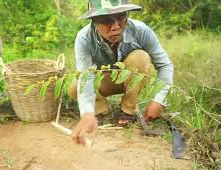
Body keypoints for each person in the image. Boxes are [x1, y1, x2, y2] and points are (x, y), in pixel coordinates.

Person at [68, 0, 174, 145]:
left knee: (140, 57)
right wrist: (87, 113)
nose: (116, 27)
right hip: (104, 81)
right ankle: (100, 110)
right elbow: (86, 77)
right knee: (74, 86)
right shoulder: (84, 38)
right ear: (94, 21)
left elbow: (165, 65)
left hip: (131, 78)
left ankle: (128, 110)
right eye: (106, 20)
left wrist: (159, 100)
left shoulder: (141, 31)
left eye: (121, 17)